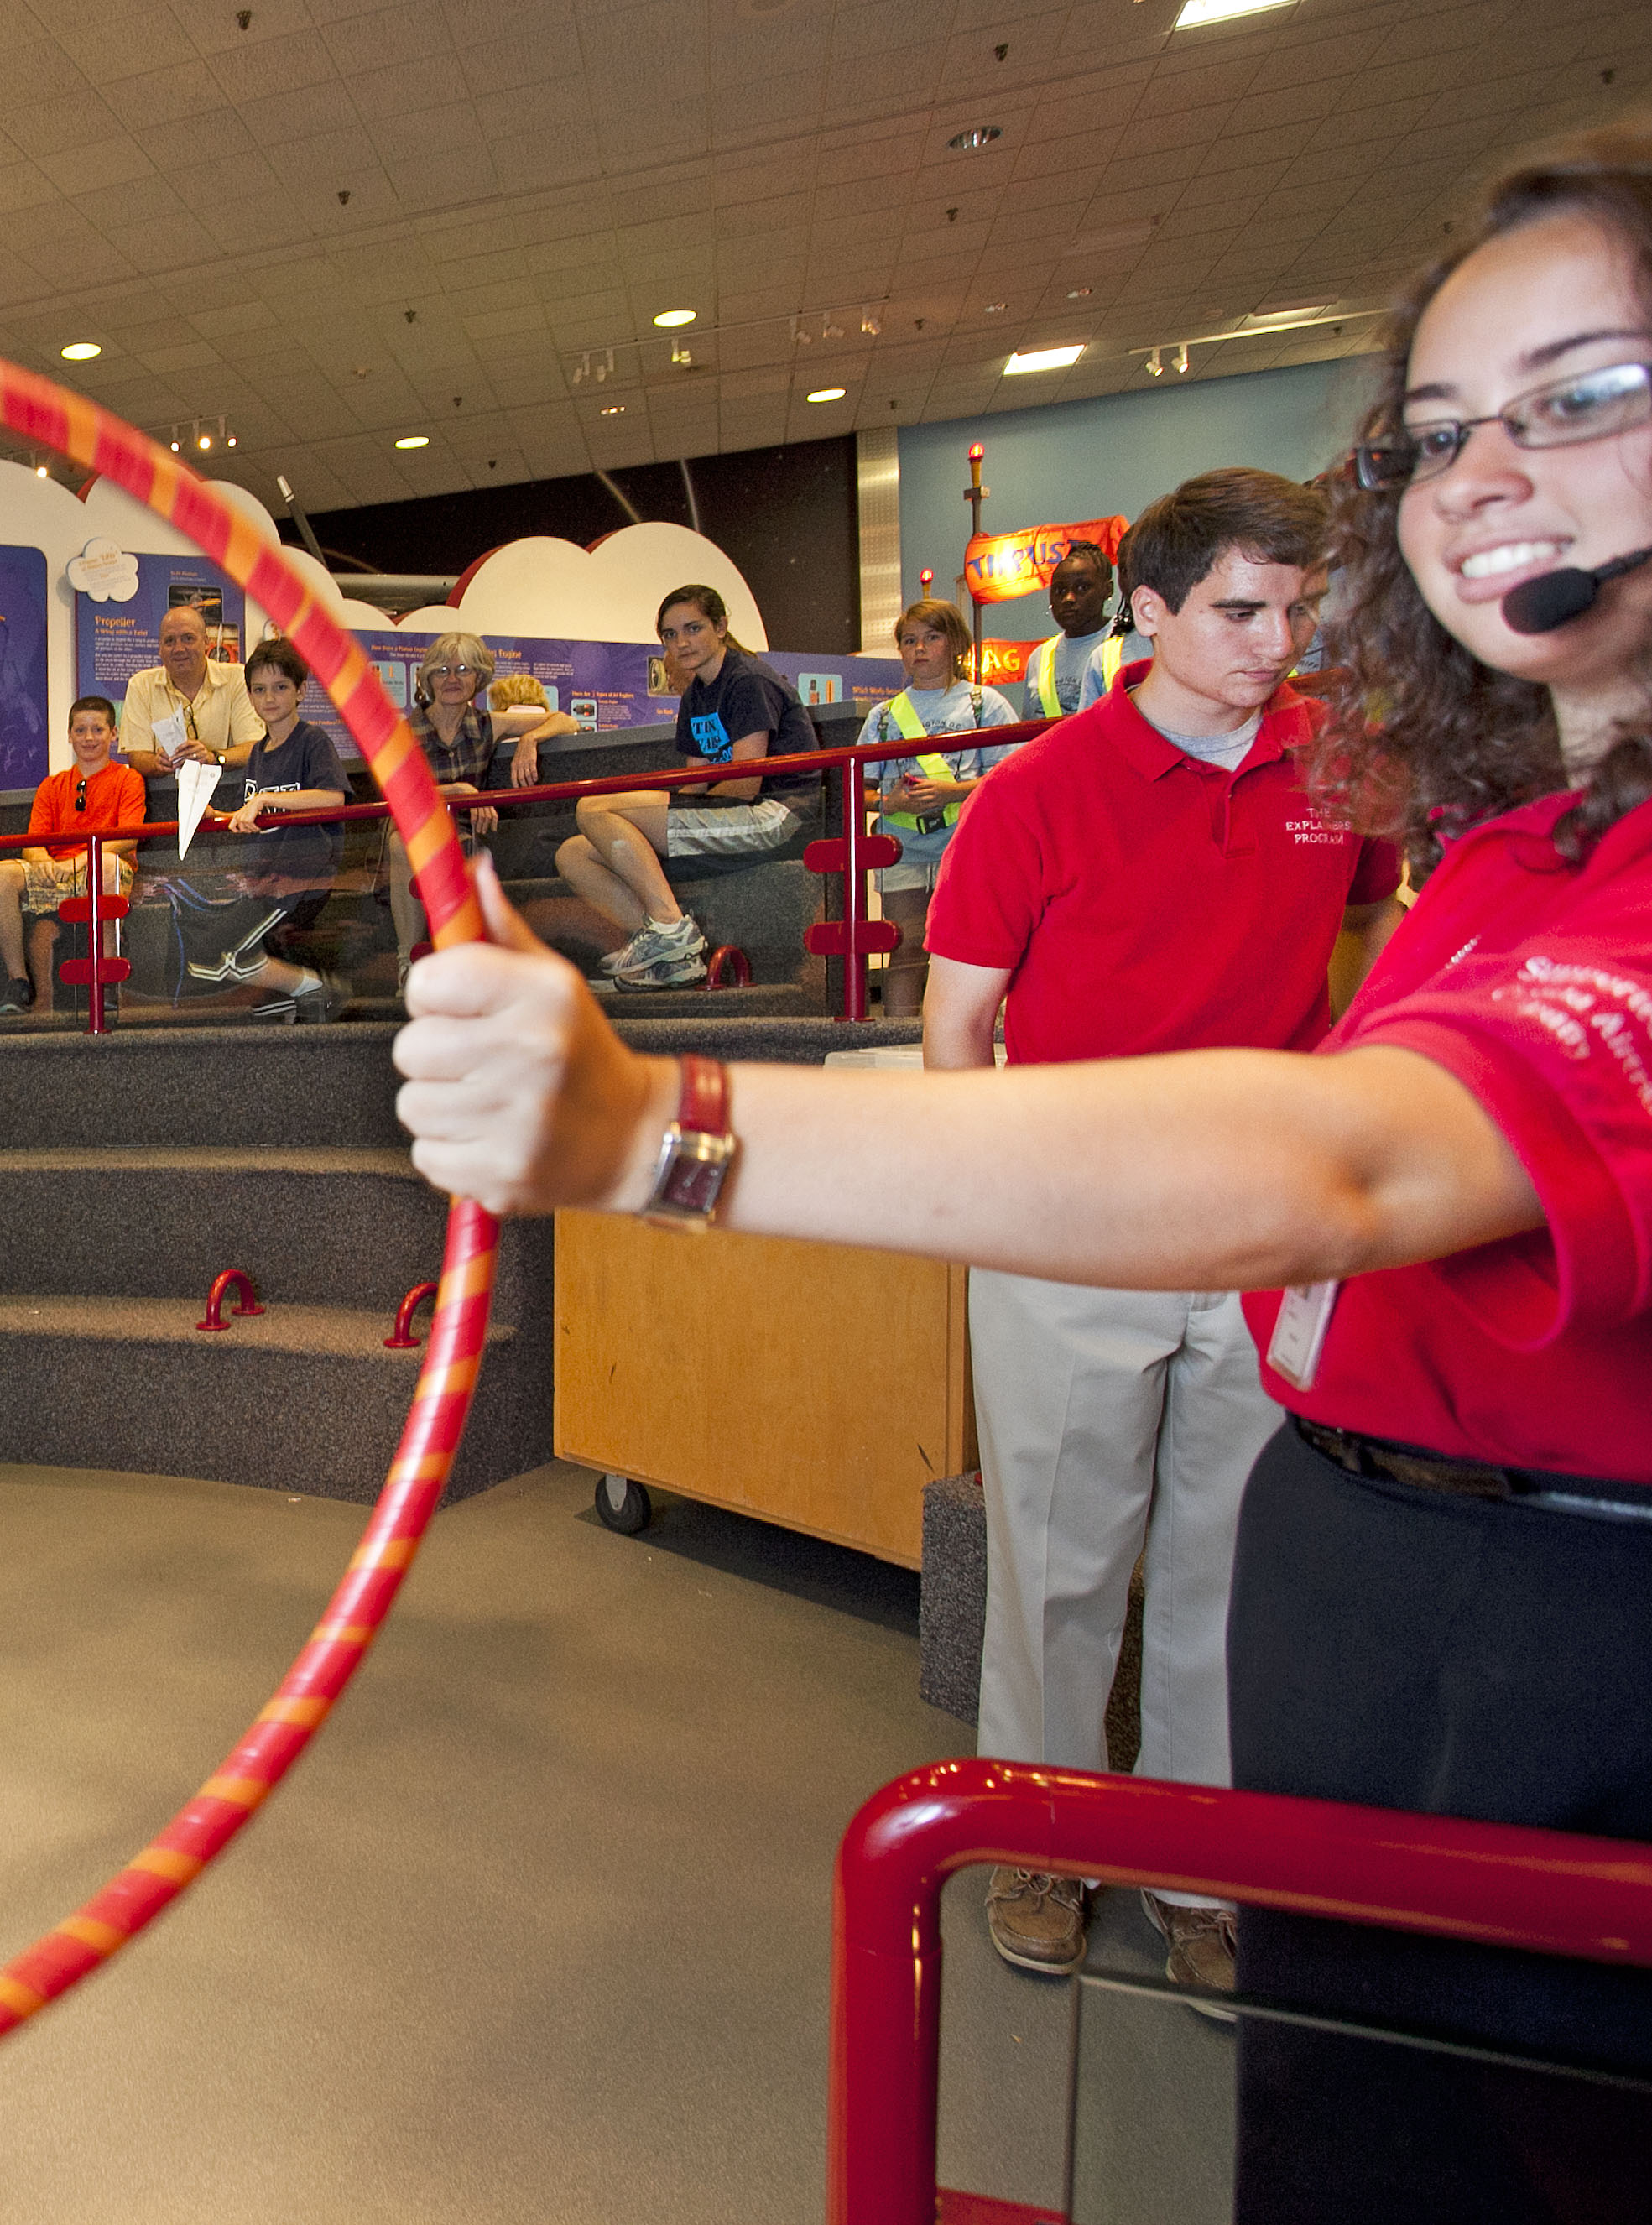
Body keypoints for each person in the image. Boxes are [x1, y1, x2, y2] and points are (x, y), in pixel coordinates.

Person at [393, 118, 1647, 2216]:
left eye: (1579, 397)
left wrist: (659, 1128)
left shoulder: (1448, 830)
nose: (1479, 478)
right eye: (1433, 436)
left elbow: (1347, 1153)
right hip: (1373, 1527)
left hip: (1535, 1632)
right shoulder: (1514, 826)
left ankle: (1194, 1854)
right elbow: (1028, 1035)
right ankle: (1071, 1841)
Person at [925, 466, 1402, 1998]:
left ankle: (1205, 1866)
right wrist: (998, 1203)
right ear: (1151, 614)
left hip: (1266, 1220)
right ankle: (1046, 1839)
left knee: (1228, 1559)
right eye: (1244, 611)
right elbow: (958, 1029)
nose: (1280, 641)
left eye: (1301, 609)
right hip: (1073, 1218)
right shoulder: (1038, 789)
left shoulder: (1339, 765)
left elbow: (1373, 933)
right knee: (1061, 1564)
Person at [555, 584, 818, 988]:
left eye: (693, 628)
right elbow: (694, 783)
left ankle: (670, 930)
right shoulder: (696, 693)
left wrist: (668, 817)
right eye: (670, 635)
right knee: (574, 854)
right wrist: (663, 820)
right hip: (730, 812)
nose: (682, 642)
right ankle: (672, 955)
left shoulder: (747, 681)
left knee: (592, 808)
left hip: (774, 815)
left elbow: (745, 784)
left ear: (721, 626)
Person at [852, 600, 1020, 1018]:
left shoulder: (986, 705)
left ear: (955, 643)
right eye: (910, 641)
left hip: (966, 847)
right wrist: (887, 802)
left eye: (932, 638)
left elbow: (1010, 779)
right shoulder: (883, 717)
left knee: (971, 949)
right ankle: (899, 1041)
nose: (920, 649)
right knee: (904, 947)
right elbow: (858, 790)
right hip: (901, 851)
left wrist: (954, 791)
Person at [382, 638, 576, 965]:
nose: (452, 679)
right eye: (442, 671)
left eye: (463, 670)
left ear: (479, 678)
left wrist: (530, 738)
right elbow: (398, 792)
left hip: (469, 835)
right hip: (415, 828)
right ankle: (408, 960)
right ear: (427, 679)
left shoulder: (488, 723)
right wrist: (460, 792)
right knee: (405, 844)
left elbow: (567, 721)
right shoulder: (403, 732)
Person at [189, 638, 351, 1020]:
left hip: (301, 878)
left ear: (301, 691)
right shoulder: (259, 752)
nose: (270, 698)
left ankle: (313, 988)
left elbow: (334, 799)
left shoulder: (313, 741)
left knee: (230, 952)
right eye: (259, 690)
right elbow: (256, 819)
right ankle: (301, 994)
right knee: (204, 956)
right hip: (265, 878)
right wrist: (220, 815)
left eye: (280, 687)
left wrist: (262, 801)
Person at [0, 695, 144, 1014]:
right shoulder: (52, 785)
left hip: (102, 867)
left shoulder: (129, 779)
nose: (88, 738)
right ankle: (19, 982)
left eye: (97, 730)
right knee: (0, 874)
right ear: (69, 734)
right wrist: (42, 860)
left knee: (108, 864)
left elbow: (128, 837)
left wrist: (84, 859)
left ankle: (108, 974)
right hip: (56, 873)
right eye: (81, 730)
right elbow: (33, 841)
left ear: (113, 734)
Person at [119, 602, 258, 776]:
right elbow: (136, 757)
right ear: (160, 649)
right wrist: (156, 763)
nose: (179, 648)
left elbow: (253, 748)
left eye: (188, 638)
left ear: (206, 642)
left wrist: (213, 758)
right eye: (170, 641)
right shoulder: (140, 685)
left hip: (227, 790)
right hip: (164, 793)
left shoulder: (238, 678)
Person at [1017, 545, 1142, 717]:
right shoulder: (1039, 658)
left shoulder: (1133, 641)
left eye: (1082, 588)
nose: (1068, 598)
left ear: (1108, 589)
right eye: (1060, 590)